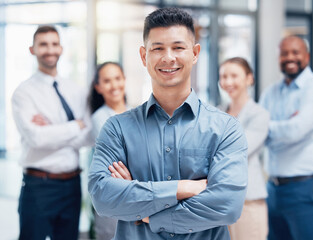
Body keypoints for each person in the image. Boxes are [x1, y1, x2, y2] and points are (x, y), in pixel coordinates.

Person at [88, 7, 248, 240]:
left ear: (195, 53)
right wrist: (183, 188)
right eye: (158, 48)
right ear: (144, 56)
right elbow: (103, 197)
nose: (168, 57)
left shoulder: (226, 129)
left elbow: (227, 205)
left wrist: (145, 211)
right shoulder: (117, 129)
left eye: (178, 47)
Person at [11, 25, 92, 240]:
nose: (50, 50)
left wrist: (52, 130)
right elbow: (36, 138)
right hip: (39, 187)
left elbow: (89, 136)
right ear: (32, 50)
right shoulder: (23, 93)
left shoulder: (76, 90)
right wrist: (75, 125)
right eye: (43, 44)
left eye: (54, 44)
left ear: (61, 49)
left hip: (73, 185)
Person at [259, 35, 313, 240]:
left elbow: (295, 131)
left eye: (295, 52)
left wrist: (270, 128)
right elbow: (258, 131)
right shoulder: (270, 92)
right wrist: (281, 128)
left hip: (306, 189)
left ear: (307, 57)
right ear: (278, 58)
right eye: (284, 53)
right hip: (274, 189)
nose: (289, 57)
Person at [219, 57, 269, 240]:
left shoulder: (259, 114)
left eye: (234, 76)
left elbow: (239, 150)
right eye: (224, 76)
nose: (228, 82)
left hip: (248, 201)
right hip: (219, 202)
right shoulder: (217, 113)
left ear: (249, 78)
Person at [88, 62, 127, 240]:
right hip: (112, 196)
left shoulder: (138, 111)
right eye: (107, 81)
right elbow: (119, 158)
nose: (114, 86)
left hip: (137, 196)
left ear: (124, 80)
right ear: (98, 87)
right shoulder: (99, 118)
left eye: (117, 78)